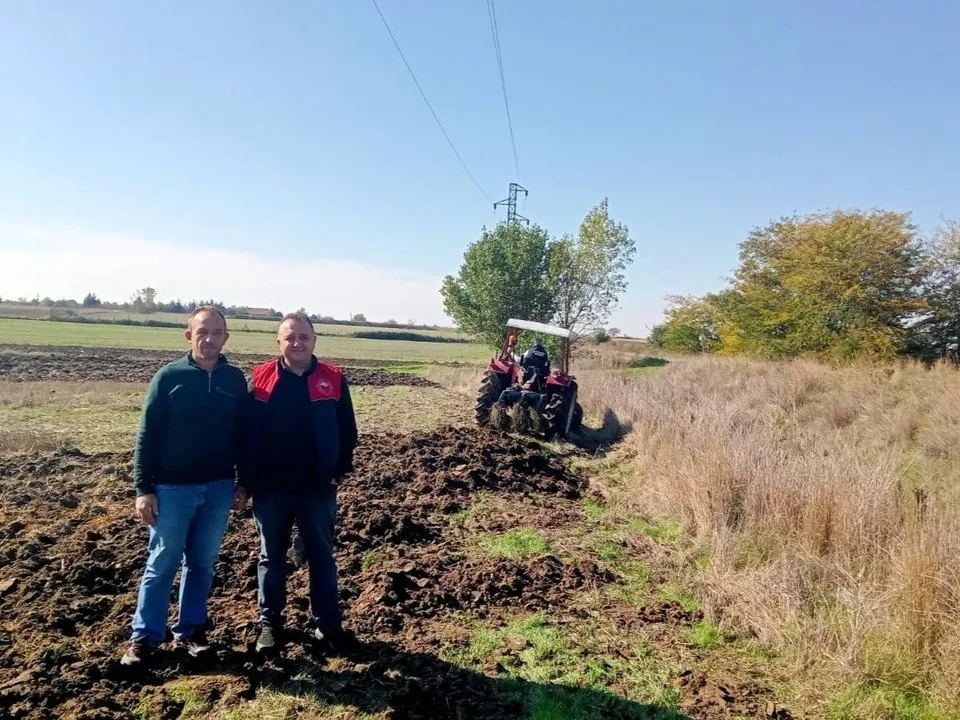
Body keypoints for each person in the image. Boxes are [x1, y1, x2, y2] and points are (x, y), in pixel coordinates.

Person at [121, 306, 249, 666]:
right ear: (189, 335)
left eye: (217, 332)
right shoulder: (169, 377)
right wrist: (142, 488)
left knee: (202, 563)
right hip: (172, 489)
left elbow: (243, 435)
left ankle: (190, 632)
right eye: (202, 331)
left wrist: (244, 482)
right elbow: (147, 435)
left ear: (226, 337)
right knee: (161, 562)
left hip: (219, 487)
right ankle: (144, 638)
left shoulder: (234, 380)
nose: (209, 339)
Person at [241, 312, 358, 654]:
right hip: (271, 488)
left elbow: (347, 430)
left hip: (317, 488)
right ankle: (270, 626)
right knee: (271, 558)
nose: (297, 343)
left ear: (314, 340)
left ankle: (328, 626)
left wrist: (340, 469)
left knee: (322, 556)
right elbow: (246, 434)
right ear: (279, 342)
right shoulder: (260, 378)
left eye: (303, 337)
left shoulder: (333, 379)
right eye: (290, 337)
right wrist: (246, 481)